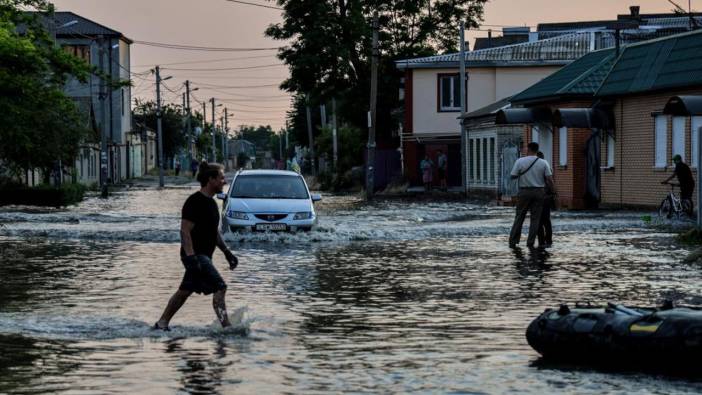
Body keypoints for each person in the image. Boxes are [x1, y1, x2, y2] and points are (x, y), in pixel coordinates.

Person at [154, 161, 239, 331]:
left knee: (185, 290)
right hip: (195, 255)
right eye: (222, 178)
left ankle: (162, 323)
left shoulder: (213, 204)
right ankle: (227, 328)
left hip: (204, 256)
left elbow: (213, 232)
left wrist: (227, 252)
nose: (225, 182)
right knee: (220, 286)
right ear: (211, 179)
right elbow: (185, 231)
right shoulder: (194, 202)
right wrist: (192, 258)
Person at [508, 142, 554, 248]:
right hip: (539, 192)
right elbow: (549, 179)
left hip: (524, 192)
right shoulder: (543, 162)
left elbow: (513, 176)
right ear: (537, 150)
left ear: (528, 149)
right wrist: (554, 191)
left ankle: (513, 241)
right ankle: (530, 242)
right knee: (535, 218)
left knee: (519, 216)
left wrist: (522, 174)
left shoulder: (520, 161)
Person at [536, 151, 556, 248]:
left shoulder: (536, 169)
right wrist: (554, 193)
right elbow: (551, 182)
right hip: (546, 197)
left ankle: (541, 242)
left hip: (538, 197)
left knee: (539, 221)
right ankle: (548, 240)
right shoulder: (547, 167)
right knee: (546, 220)